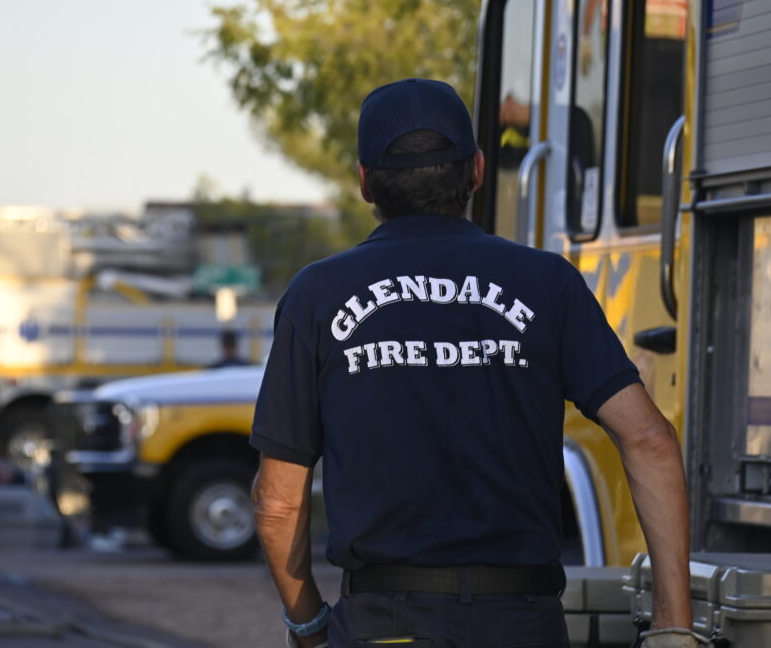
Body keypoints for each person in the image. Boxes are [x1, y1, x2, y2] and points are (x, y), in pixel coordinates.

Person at [249, 78, 702, 648]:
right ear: (478, 171)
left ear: (364, 181)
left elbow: (277, 502)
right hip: (522, 625)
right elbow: (650, 441)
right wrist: (672, 621)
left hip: (382, 627)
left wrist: (310, 626)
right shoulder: (548, 283)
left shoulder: (317, 295)